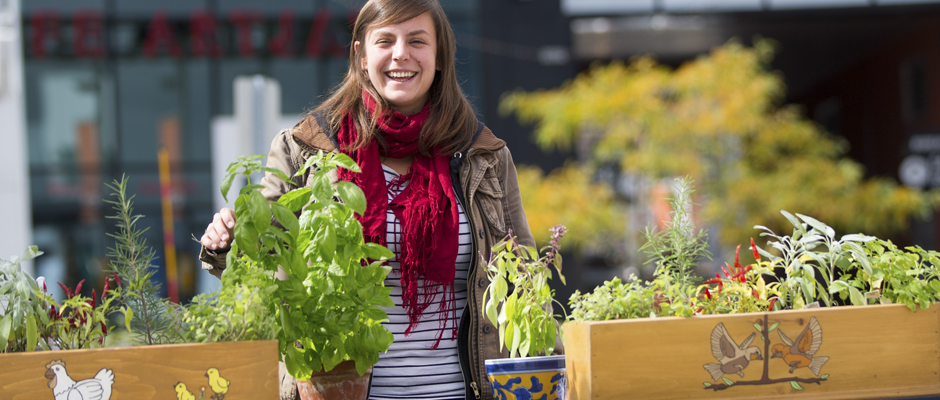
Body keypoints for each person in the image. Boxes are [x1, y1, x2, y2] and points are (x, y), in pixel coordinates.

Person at [199, 0, 556, 399]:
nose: (401, 54)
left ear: (440, 56)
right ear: (362, 56)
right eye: (385, 40)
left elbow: (527, 288)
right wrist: (226, 244)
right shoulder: (304, 150)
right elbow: (262, 271)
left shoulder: (484, 156)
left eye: (417, 41)